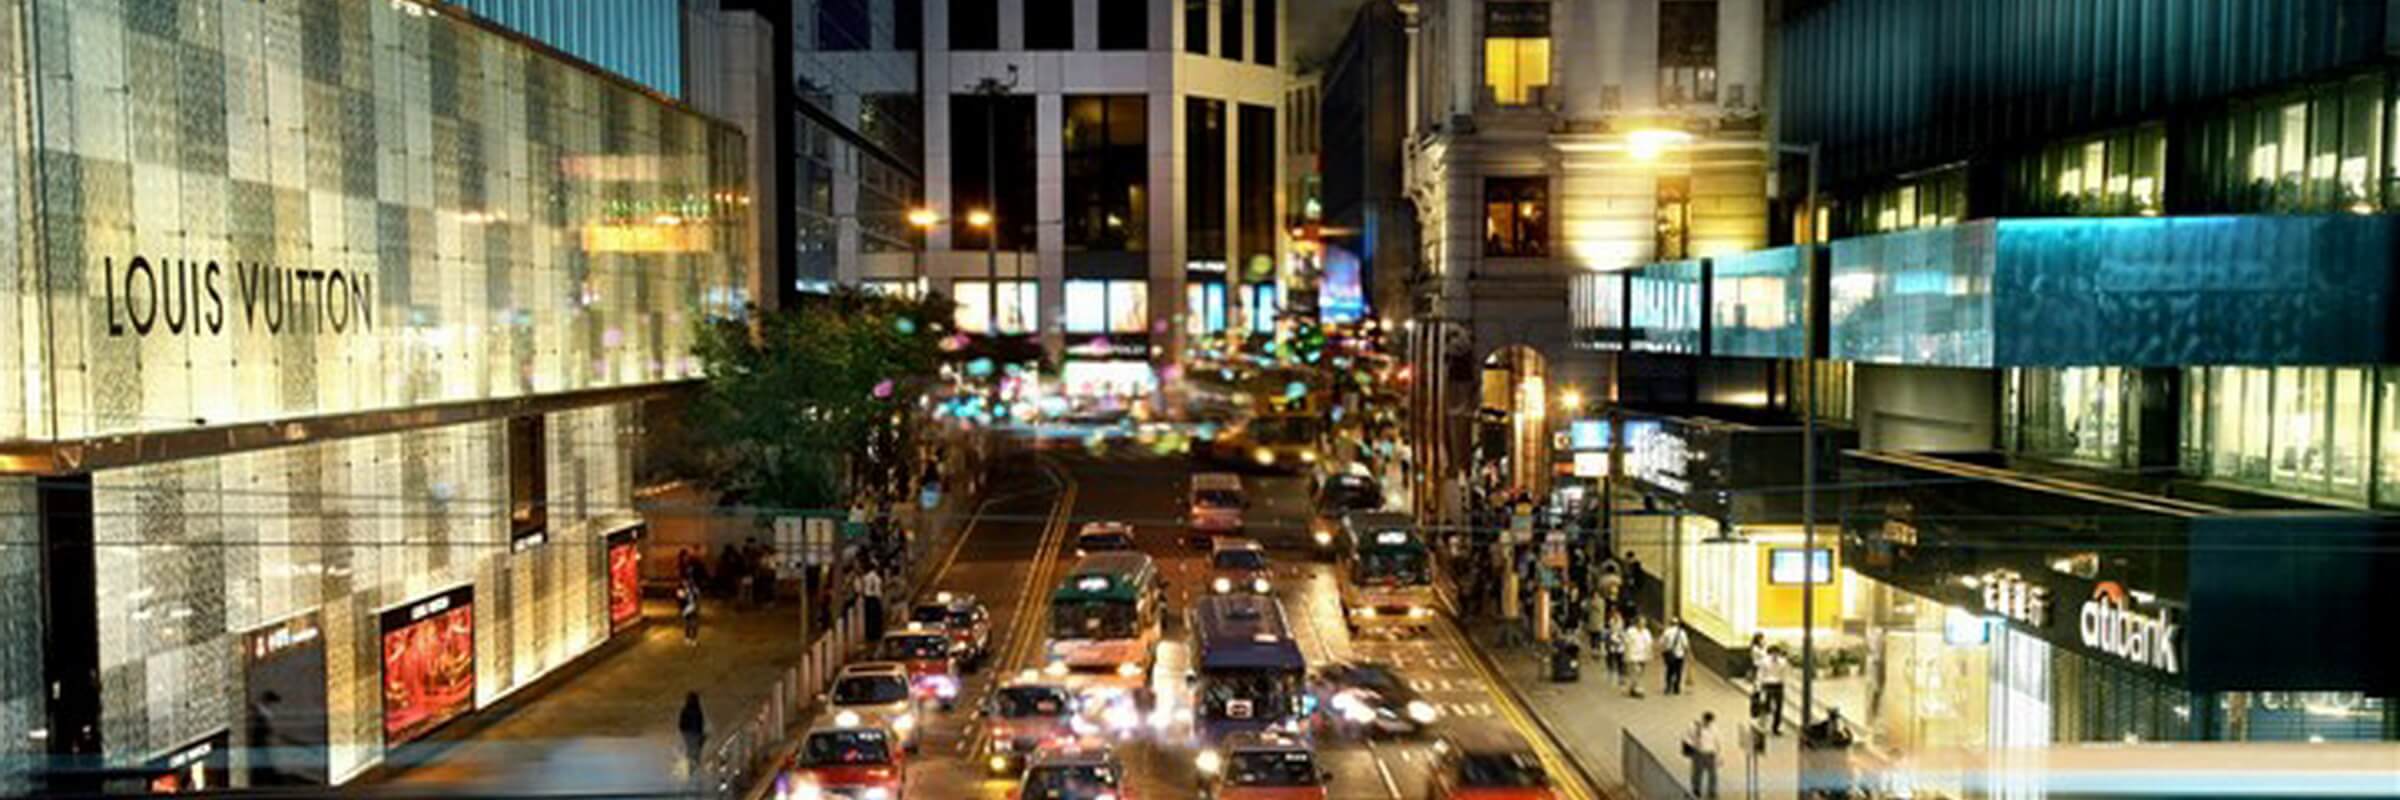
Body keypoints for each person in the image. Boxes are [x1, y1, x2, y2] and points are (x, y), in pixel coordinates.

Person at [1683, 711, 1722, 800]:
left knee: (1713, 774)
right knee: (1697, 773)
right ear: (1703, 718)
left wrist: (1719, 756)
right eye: (1706, 721)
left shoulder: (1714, 729)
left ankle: (1712, 791)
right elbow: (1687, 738)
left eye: (1710, 722)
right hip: (1698, 753)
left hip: (1710, 753)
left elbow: (1718, 742)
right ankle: (1696, 790)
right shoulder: (1694, 727)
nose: (1708, 723)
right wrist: (1693, 744)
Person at [1759, 647, 1791, 735]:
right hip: (1767, 684)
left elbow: (1785, 674)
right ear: (1770, 654)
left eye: (1777, 653)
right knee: (1766, 705)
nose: (1775, 655)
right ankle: (1763, 723)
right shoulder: (1764, 661)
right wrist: (1760, 685)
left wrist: (1784, 684)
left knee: (1779, 707)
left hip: (1778, 685)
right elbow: (1761, 674)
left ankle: (1775, 727)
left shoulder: (1783, 662)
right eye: (1773, 653)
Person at [678, 692, 708, 783]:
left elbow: (682, 724)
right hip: (692, 734)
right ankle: (693, 771)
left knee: (693, 751)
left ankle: (692, 770)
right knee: (694, 751)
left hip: (691, 734)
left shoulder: (690, 709)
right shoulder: (696, 710)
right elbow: (700, 722)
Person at [1622, 618, 1654, 698]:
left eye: (1644, 623)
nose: (1643, 625)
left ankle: (1632, 688)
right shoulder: (1631, 631)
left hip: (1643, 656)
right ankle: (1637, 689)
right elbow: (1626, 642)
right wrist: (1626, 654)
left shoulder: (1646, 632)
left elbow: (1649, 643)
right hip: (1633, 655)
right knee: (1636, 671)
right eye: (1641, 623)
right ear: (1637, 623)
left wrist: (1650, 653)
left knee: (1640, 673)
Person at [1659, 618, 1692, 695]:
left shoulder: (1667, 631)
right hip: (1679, 655)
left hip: (1670, 655)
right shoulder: (1682, 633)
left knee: (1669, 671)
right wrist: (1689, 654)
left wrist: (1663, 650)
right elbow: (1686, 645)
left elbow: (1661, 642)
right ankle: (1676, 688)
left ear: (1670, 623)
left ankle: (1668, 687)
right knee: (1678, 671)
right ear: (1677, 624)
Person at [857, 562, 886, 640]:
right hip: (875, 598)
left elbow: (861, 589)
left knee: (869, 618)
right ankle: (876, 634)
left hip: (868, 598)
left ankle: (870, 634)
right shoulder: (877, 577)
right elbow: (879, 589)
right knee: (876, 617)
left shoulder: (865, 577)